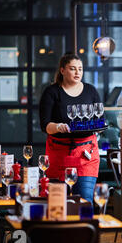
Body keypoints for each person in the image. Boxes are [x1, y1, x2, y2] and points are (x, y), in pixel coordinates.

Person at [39, 53, 101, 204]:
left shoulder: (91, 91)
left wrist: (98, 128)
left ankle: (85, 228)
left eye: (80, 69)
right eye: (72, 69)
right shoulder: (51, 92)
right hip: (58, 155)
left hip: (86, 155)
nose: (77, 72)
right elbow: (45, 125)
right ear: (62, 70)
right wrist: (58, 127)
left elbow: (99, 120)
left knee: (84, 202)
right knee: (57, 203)